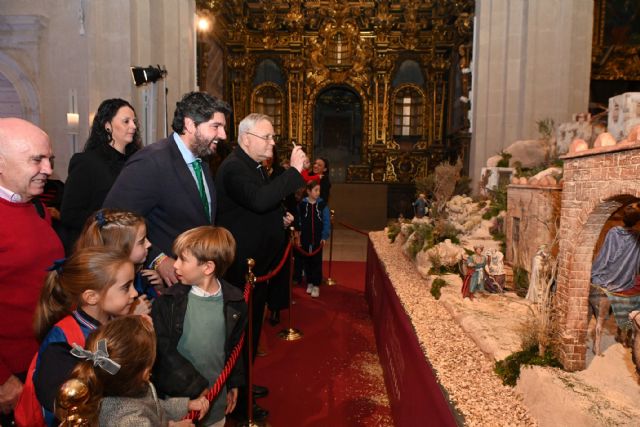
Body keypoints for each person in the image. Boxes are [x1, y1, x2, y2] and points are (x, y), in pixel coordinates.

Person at [215, 113, 306, 421]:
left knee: (252, 334)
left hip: (259, 269)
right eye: (266, 137)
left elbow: (265, 204)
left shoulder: (253, 167)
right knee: (240, 337)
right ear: (246, 139)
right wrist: (294, 171)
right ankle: (238, 405)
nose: (272, 143)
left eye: (272, 137)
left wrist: (280, 218)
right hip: (242, 269)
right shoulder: (233, 168)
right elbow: (257, 199)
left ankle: (246, 382)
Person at [104, 91, 231, 287]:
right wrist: (158, 259)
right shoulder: (151, 162)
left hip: (195, 279)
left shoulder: (202, 160)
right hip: (162, 288)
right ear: (190, 125)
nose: (223, 135)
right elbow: (112, 223)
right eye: (216, 126)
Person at [22, 247, 136, 426]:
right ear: (91, 297)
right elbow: (60, 405)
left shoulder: (114, 321)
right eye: (126, 287)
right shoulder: (61, 344)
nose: (135, 293)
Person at [0, 118, 64, 423]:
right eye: (36, 160)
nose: (49, 170)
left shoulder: (36, 206)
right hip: (12, 379)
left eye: (49, 159)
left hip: (44, 362)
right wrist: (2, 380)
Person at [151, 226, 247, 427]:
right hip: (179, 403)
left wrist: (233, 382)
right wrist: (195, 387)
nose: (175, 265)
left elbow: (235, 348)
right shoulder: (168, 302)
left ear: (208, 268)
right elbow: (163, 351)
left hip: (216, 400)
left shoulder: (234, 302)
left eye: (182, 260)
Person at [57, 316, 208, 426]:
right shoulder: (130, 421)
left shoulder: (128, 386)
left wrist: (186, 405)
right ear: (145, 373)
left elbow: (152, 406)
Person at [60, 99, 141, 251]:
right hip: (98, 248)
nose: (133, 126)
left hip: (129, 245)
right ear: (107, 126)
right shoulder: (87, 162)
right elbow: (70, 214)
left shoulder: (137, 161)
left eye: (134, 121)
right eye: (126, 121)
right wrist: (108, 222)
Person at [74, 208, 162, 313]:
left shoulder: (141, 275)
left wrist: (159, 289)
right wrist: (131, 315)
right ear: (120, 249)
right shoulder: (104, 287)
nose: (149, 244)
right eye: (142, 241)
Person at [297, 180, 331, 298]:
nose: (318, 193)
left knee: (316, 261)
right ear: (308, 191)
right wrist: (299, 236)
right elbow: (299, 221)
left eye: (319, 190)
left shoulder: (322, 205)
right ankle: (309, 282)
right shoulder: (302, 205)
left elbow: (326, 221)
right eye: (315, 190)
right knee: (307, 261)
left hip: (317, 239)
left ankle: (316, 284)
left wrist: (324, 236)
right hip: (305, 238)